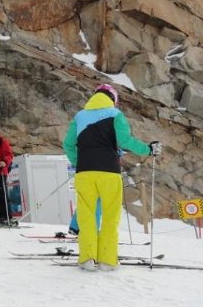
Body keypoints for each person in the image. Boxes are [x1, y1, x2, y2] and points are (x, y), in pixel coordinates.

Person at [62, 83, 162, 272]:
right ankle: (107, 260)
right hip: (109, 171)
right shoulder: (116, 115)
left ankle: (87, 259)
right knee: (110, 215)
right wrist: (148, 149)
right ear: (113, 99)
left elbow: (67, 144)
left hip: (84, 172)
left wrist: (78, 161)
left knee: (86, 216)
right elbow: (125, 141)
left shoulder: (79, 116)